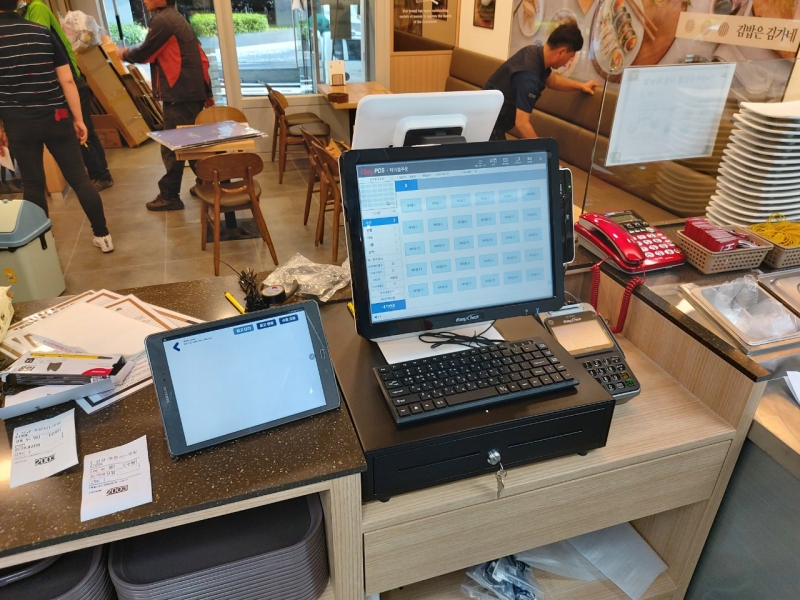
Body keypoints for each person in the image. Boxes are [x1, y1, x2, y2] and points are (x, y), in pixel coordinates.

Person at [0, 0, 113, 252]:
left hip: (17, 121)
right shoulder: (41, 32)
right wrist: (78, 119)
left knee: (33, 184)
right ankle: (103, 235)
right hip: (57, 116)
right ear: (18, 3)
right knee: (79, 178)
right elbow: (67, 80)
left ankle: (43, 244)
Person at [121, 0, 214, 212]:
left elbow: (144, 53)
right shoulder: (176, 18)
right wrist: (206, 92)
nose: (144, 0)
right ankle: (207, 183)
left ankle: (170, 196)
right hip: (189, 93)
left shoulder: (163, 20)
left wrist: (123, 54)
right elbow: (201, 58)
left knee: (173, 146)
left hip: (179, 94)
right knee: (191, 143)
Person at [20, 0, 114, 192]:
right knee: (85, 130)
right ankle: (100, 173)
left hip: (68, 81)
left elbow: (35, 44)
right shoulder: (28, 10)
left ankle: (101, 175)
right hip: (66, 81)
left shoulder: (36, 7)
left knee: (80, 131)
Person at [484, 23, 600, 141]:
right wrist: (543, 149)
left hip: (489, 120)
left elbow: (553, 81)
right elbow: (522, 124)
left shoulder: (533, 52)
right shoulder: (529, 77)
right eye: (570, 57)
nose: (568, 61)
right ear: (561, 52)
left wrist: (581, 86)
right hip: (487, 127)